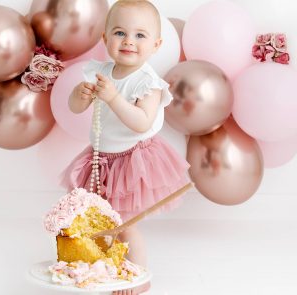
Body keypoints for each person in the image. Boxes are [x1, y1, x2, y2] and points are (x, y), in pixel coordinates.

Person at [61, 1, 191, 294]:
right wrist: (79, 96)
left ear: (156, 45)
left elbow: (141, 122)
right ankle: (110, 266)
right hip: (99, 158)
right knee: (103, 222)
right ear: (106, 39)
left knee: (125, 225)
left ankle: (138, 276)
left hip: (133, 161)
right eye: (120, 32)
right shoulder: (101, 72)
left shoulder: (148, 83)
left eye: (140, 35)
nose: (129, 41)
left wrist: (113, 99)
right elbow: (74, 107)